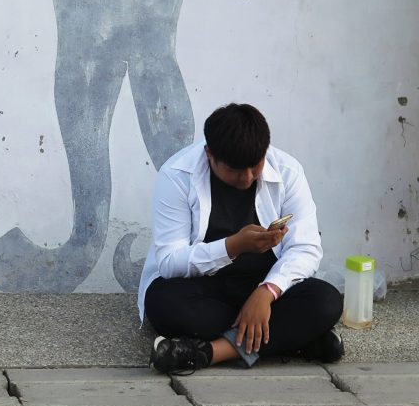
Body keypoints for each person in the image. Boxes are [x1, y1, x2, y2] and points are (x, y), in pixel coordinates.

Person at [138, 103, 344, 374]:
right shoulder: (177, 175)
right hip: (206, 287)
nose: (246, 178)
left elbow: (305, 248)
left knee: (327, 300)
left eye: (255, 167)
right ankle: (293, 338)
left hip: (264, 284)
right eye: (235, 170)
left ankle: (207, 353)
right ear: (210, 154)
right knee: (162, 302)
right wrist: (233, 246)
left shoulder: (288, 171)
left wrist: (266, 293)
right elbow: (169, 261)